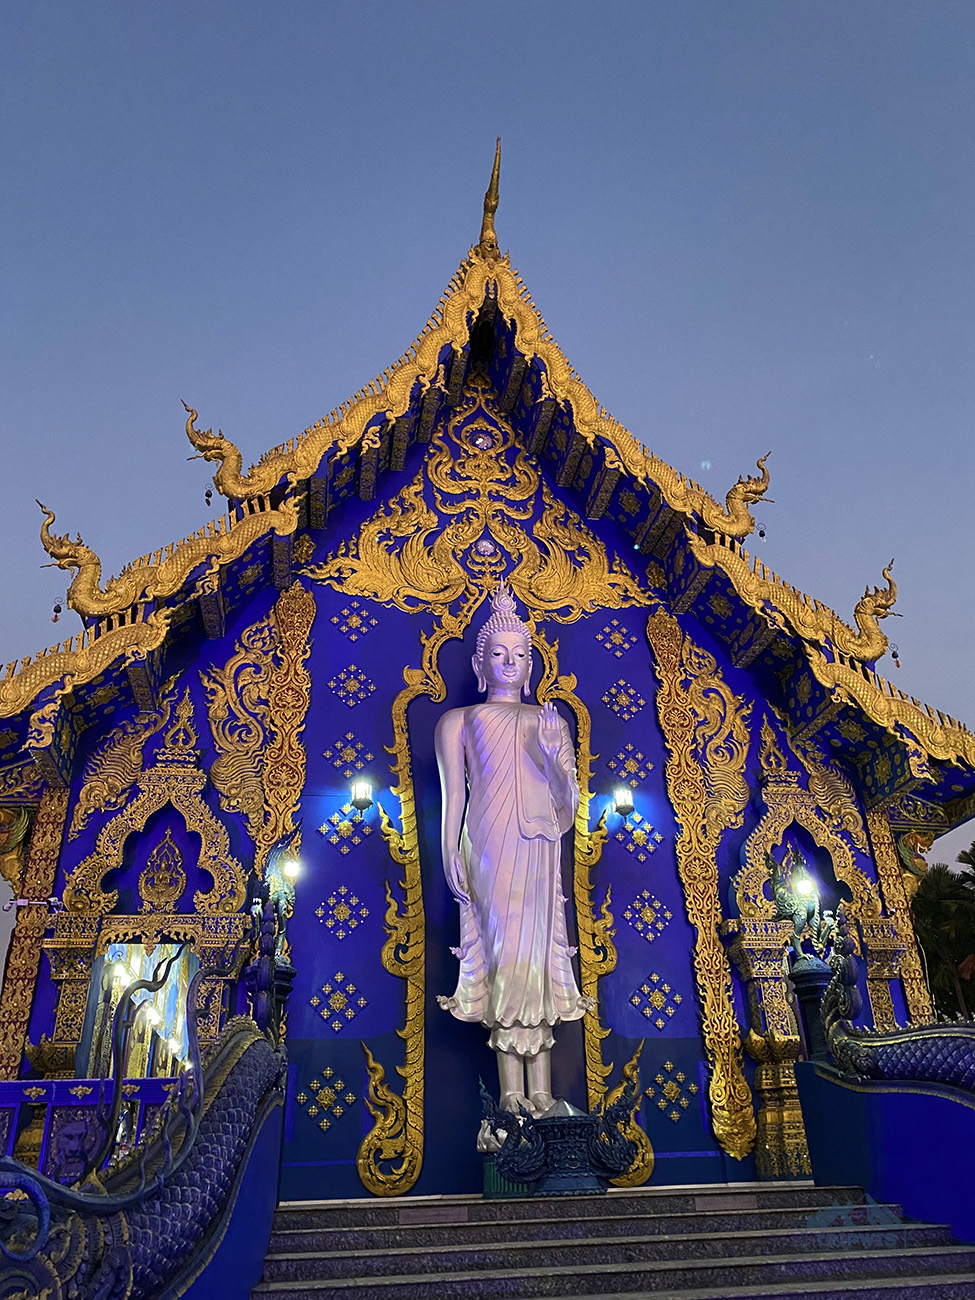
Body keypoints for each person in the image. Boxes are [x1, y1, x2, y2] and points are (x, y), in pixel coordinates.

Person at [435, 583, 592, 1116]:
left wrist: (552, 756)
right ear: (481, 665)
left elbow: (568, 809)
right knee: (505, 954)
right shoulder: (459, 721)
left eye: (519, 655)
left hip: (541, 845)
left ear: (531, 665)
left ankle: (542, 1093)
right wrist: (447, 853)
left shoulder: (551, 723)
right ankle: (508, 1096)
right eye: (498, 654)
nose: (509, 663)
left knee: (540, 958)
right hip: (489, 844)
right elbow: (453, 796)